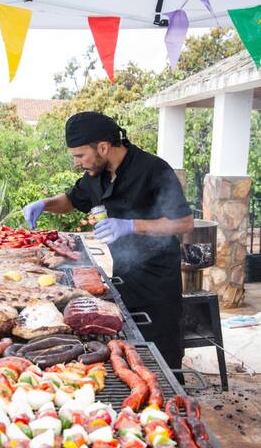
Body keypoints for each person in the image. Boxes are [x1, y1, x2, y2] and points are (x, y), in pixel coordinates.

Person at [23, 111, 194, 371]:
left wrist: (131, 225)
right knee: (127, 356)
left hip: (159, 287)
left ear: (103, 147)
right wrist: (44, 204)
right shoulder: (96, 176)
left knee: (162, 363)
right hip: (123, 279)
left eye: (80, 156)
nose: (76, 163)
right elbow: (70, 201)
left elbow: (184, 223)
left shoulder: (153, 170)